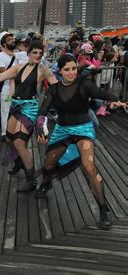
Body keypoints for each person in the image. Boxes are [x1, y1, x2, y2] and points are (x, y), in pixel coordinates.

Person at [35, 54, 126, 230]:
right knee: (48, 165)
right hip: (62, 129)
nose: (71, 73)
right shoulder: (53, 89)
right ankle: (46, 183)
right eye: (67, 70)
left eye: (74, 69)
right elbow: (43, 111)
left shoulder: (84, 84)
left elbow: (101, 93)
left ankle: (103, 209)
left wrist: (116, 101)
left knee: (89, 167)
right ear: (60, 71)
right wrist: (40, 128)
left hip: (83, 128)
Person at [0, 40, 58, 192]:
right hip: (15, 106)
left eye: (40, 53)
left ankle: (31, 179)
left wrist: (69, 93)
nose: (37, 55)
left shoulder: (43, 69)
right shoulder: (18, 67)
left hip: (29, 108)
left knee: (19, 143)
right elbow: (0, 76)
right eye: (34, 52)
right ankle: (19, 161)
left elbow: (56, 86)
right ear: (28, 53)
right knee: (9, 139)